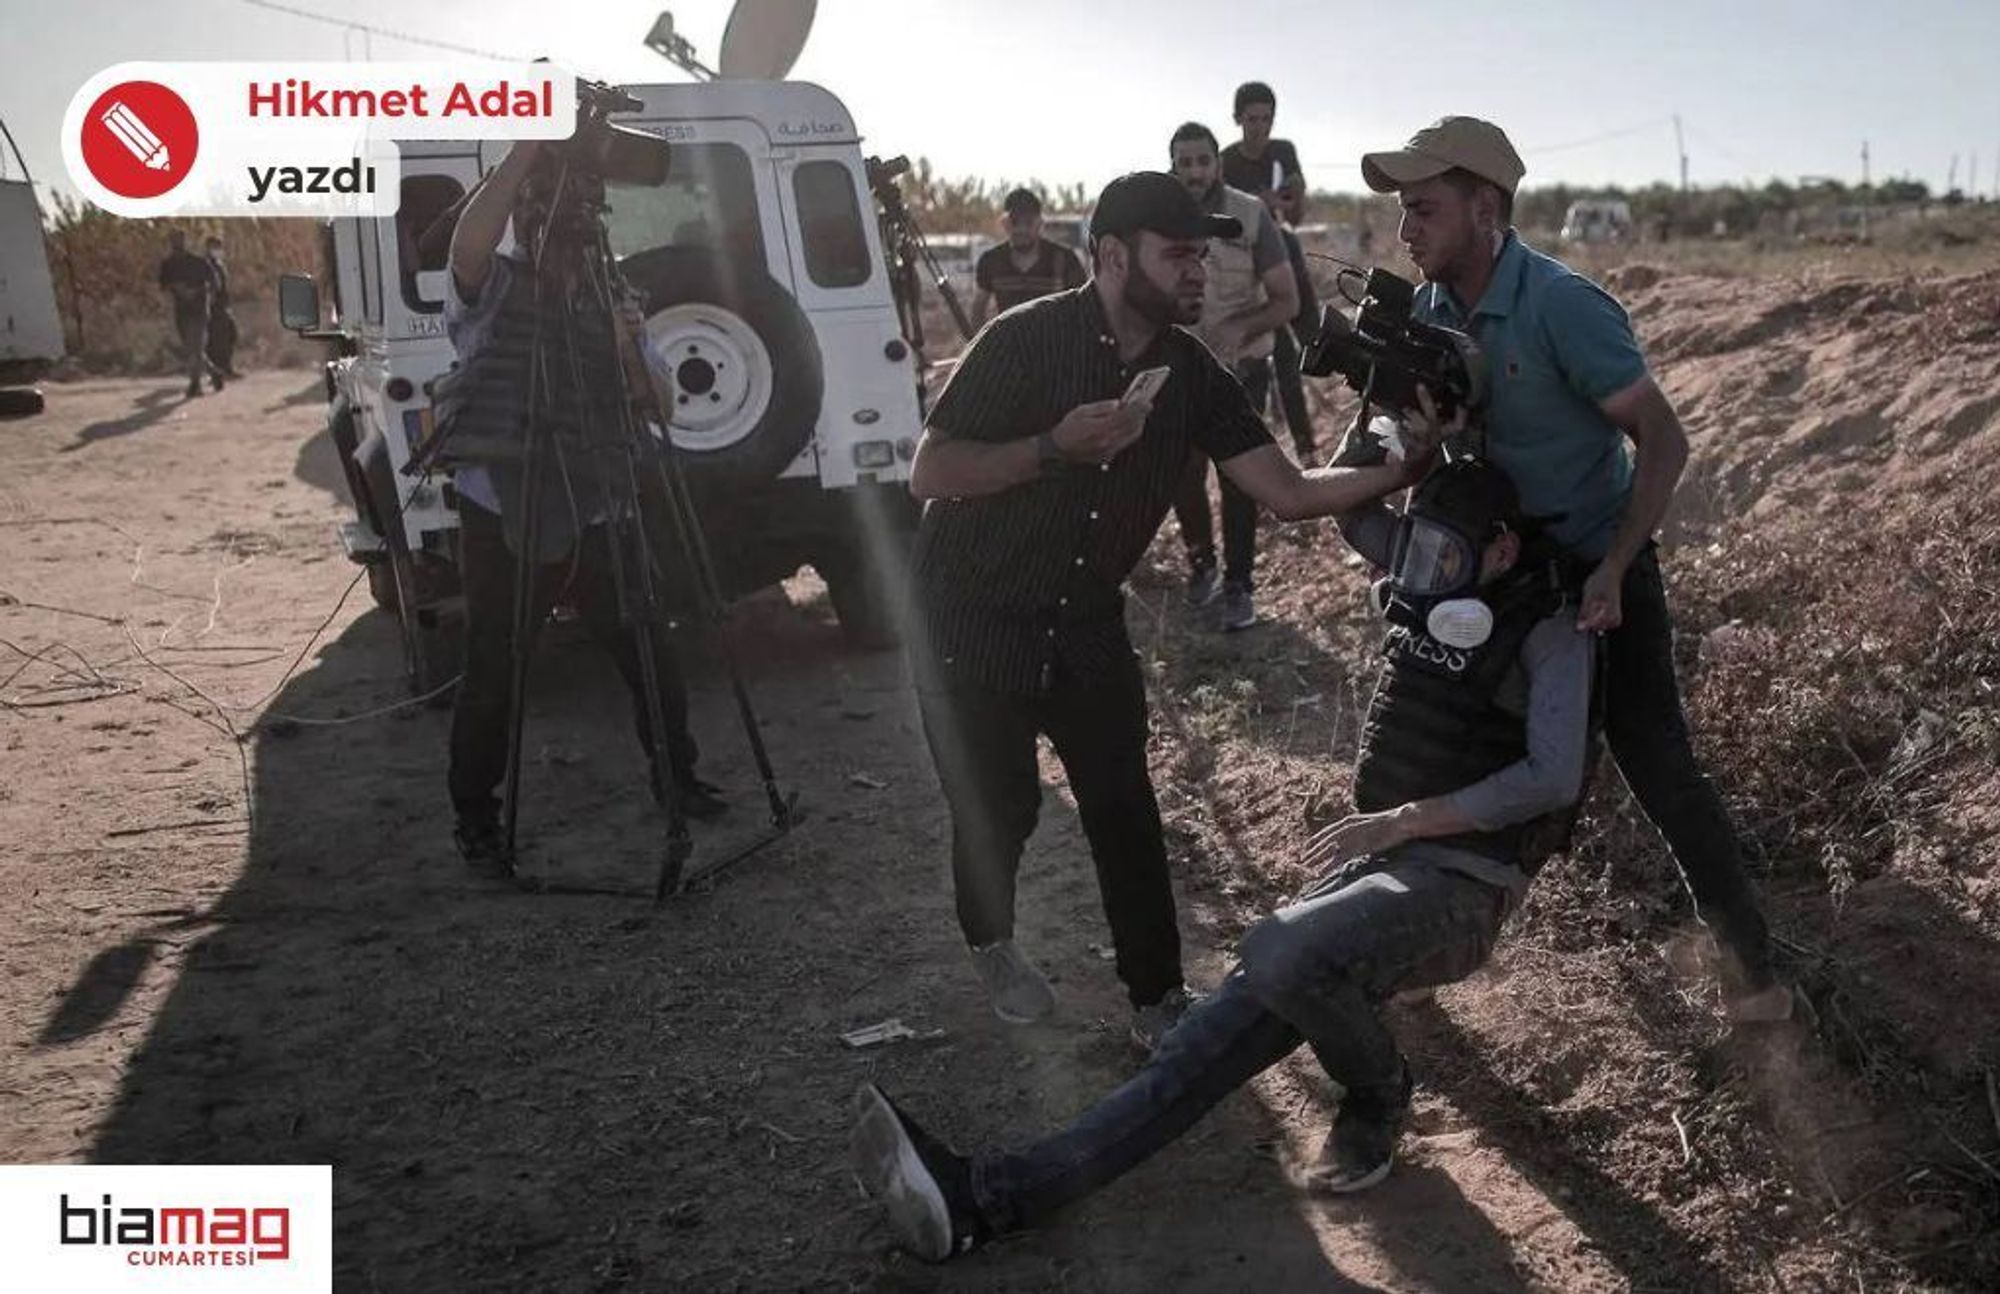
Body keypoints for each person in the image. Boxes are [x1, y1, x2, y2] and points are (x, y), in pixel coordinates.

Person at [856, 457, 1598, 1259]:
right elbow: (1346, 513)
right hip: (1385, 863)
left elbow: (1553, 777)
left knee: (1279, 951)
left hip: (1462, 885)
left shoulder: (1551, 630)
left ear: (1503, 553)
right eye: (1415, 552)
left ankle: (1379, 1090)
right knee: (1197, 1051)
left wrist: (1407, 822)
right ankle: (985, 1198)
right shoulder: (1434, 567)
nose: (1422, 574)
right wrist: (1401, 440)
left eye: (1446, 560)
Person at [906, 170, 1432, 1048]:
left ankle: (1156, 1001)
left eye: (1203, 254)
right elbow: (932, 472)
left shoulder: (1191, 376)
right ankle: (989, 940)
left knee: (1124, 807)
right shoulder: (1022, 341)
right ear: (1112, 256)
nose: (1199, 273)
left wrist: (1406, 466)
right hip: (969, 618)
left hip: (1083, 621)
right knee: (1002, 810)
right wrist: (1049, 449)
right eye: (1178, 254)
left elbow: (1288, 491)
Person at [1336, 115, 1795, 1020]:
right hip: (1487, 574)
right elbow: (1424, 450)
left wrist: (1615, 569)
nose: (1405, 232)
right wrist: (1417, 444)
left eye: (1422, 209)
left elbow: (1663, 439)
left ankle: (1755, 984)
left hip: (1591, 569)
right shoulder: (1429, 313)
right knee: (1432, 758)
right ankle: (1404, 951)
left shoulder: (1563, 306)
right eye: (1400, 214)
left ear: (1485, 207)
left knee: (1658, 768)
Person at [436, 139, 721, 879]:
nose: (567, 245)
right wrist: (526, 153)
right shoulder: (495, 286)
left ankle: (676, 777)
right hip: (506, 504)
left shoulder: (614, 302)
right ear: (529, 229)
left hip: (599, 502)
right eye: (553, 228)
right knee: (495, 666)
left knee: (650, 648)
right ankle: (476, 819)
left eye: (579, 231)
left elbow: (660, 404)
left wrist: (629, 344)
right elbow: (467, 243)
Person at [1165, 123, 1298, 631]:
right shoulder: (1158, 217)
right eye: (1185, 162)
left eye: (1204, 160)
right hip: (1177, 370)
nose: (1195, 171)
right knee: (1182, 472)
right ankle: (1202, 564)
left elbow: (1288, 301)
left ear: (1218, 163)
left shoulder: (1249, 213)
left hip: (1242, 370)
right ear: (1173, 166)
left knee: (1240, 480)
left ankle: (1240, 584)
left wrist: (1237, 330)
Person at [970, 188, 1086, 327]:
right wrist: (986, 345)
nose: (1021, 229)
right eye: (1014, 221)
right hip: (1009, 344)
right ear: (1005, 224)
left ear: (1039, 224)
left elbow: (1084, 308)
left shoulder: (1065, 259)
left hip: (1054, 345)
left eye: (1028, 222)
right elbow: (978, 309)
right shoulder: (991, 261)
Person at [156, 230, 219, 398]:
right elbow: (163, 285)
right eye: (174, 240)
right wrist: (177, 288)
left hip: (199, 308)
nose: (177, 244)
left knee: (196, 346)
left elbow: (213, 281)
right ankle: (213, 372)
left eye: (180, 240)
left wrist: (201, 293)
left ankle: (195, 384)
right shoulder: (168, 264)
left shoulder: (197, 262)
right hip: (181, 310)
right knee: (191, 348)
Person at [1218, 81, 1304, 201]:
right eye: (1252, 119)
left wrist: (1296, 193)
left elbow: (1295, 215)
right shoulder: (1225, 161)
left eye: (1266, 119)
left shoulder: (1284, 152)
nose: (1260, 127)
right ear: (1238, 119)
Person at [202, 235, 241, 381]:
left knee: (231, 335)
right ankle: (219, 371)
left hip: (224, 305)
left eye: (219, 247)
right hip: (214, 307)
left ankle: (225, 367)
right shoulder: (205, 264)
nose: (218, 250)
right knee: (217, 340)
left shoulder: (219, 264)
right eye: (215, 247)